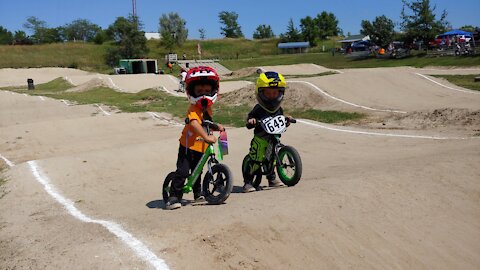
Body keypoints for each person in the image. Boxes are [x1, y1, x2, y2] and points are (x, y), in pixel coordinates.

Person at [166, 66, 225, 210]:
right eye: (199, 91)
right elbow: (194, 124)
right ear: (191, 91)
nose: (203, 95)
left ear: (213, 91)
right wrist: (205, 135)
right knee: (183, 172)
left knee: (198, 171)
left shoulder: (207, 109)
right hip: (188, 146)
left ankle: (198, 194)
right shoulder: (193, 109)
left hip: (201, 147)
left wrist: (217, 127)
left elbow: (207, 123)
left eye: (206, 91)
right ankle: (173, 196)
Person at [243, 71, 291, 193]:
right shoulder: (259, 108)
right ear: (261, 93)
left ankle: (272, 179)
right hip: (260, 139)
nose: (272, 96)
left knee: (272, 158)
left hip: (274, 137)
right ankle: (248, 182)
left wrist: (286, 120)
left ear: (280, 93)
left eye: (275, 93)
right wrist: (252, 121)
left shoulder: (278, 108)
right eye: (268, 93)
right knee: (256, 160)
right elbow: (249, 119)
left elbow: (280, 118)